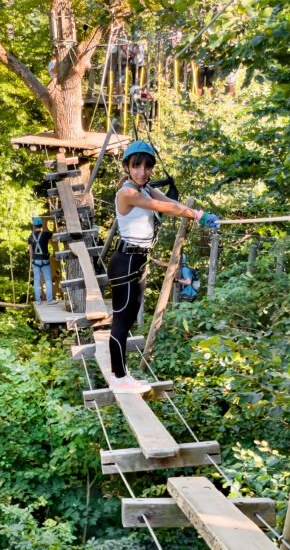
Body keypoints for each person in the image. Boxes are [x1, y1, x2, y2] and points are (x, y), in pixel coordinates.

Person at [107, 141, 220, 394]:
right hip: (125, 261)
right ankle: (118, 377)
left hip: (137, 260)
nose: (142, 172)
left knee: (129, 314)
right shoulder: (128, 193)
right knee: (122, 320)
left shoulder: (145, 189)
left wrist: (196, 213)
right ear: (127, 167)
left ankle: (121, 374)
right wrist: (198, 216)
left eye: (147, 166)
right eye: (136, 166)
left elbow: (170, 201)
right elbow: (163, 207)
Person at [28, 217, 56, 305]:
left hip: (35, 261)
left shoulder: (30, 237)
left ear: (34, 226)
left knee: (36, 281)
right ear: (41, 225)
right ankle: (49, 300)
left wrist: (31, 261)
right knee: (48, 280)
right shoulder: (46, 234)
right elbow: (55, 237)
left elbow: (30, 251)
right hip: (45, 260)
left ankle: (38, 301)